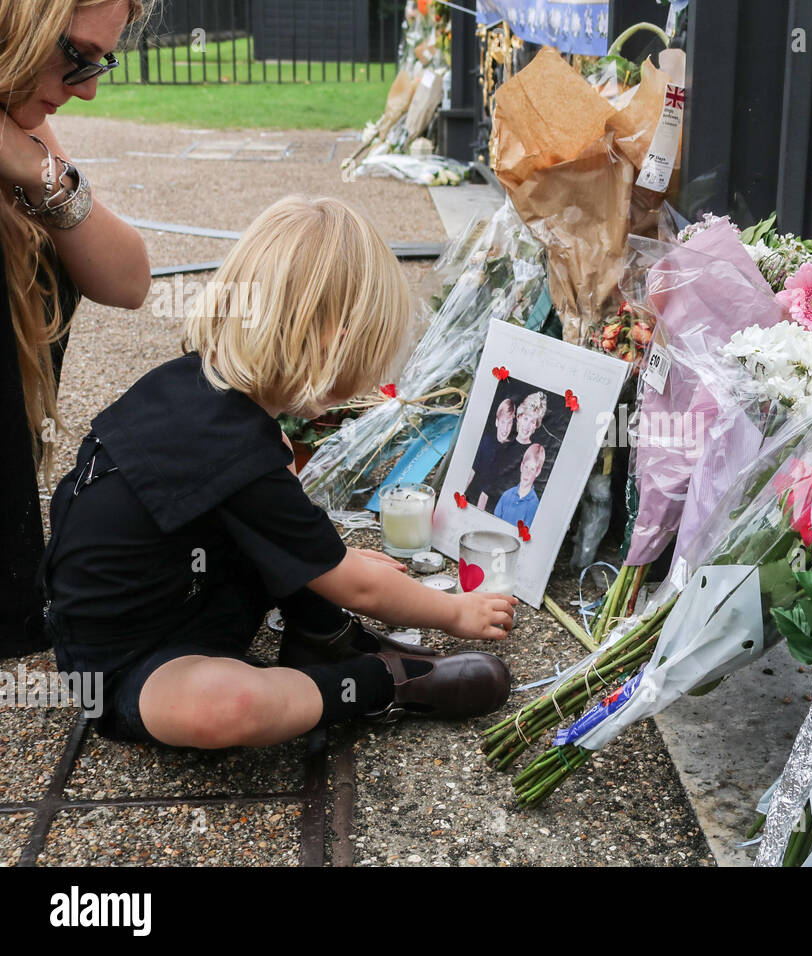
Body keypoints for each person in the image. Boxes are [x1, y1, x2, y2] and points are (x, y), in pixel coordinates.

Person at [42, 196, 518, 749]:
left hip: (194, 595)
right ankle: (377, 682)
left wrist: (329, 560)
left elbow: (276, 528)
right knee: (228, 706)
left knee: (310, 554)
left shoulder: (195, 390)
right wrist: (453, 611)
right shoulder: (233, 445)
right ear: (333, 341)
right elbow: (357, 585)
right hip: (129, 666)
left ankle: (322, 634)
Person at [1, 0, 153, 657]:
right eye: (76, 56)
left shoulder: (14, 124)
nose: (88, 88)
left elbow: (127, 281)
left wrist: (38, 171)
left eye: (100, 61)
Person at [466, 396, 514, 512]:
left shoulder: (511, 451)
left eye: (509, 423)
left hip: (490, 506)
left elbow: (489, 490)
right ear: (497, 422)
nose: (505, 428)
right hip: (471, 497)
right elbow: (472, 471)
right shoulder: (486, 441)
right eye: (503, 422)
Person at [493, 443, 544, 527]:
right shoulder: (507, 495)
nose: (527, 473)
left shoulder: (534, 505)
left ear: (537, 472)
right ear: (521, 466)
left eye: (532, 469)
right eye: (526, 467)